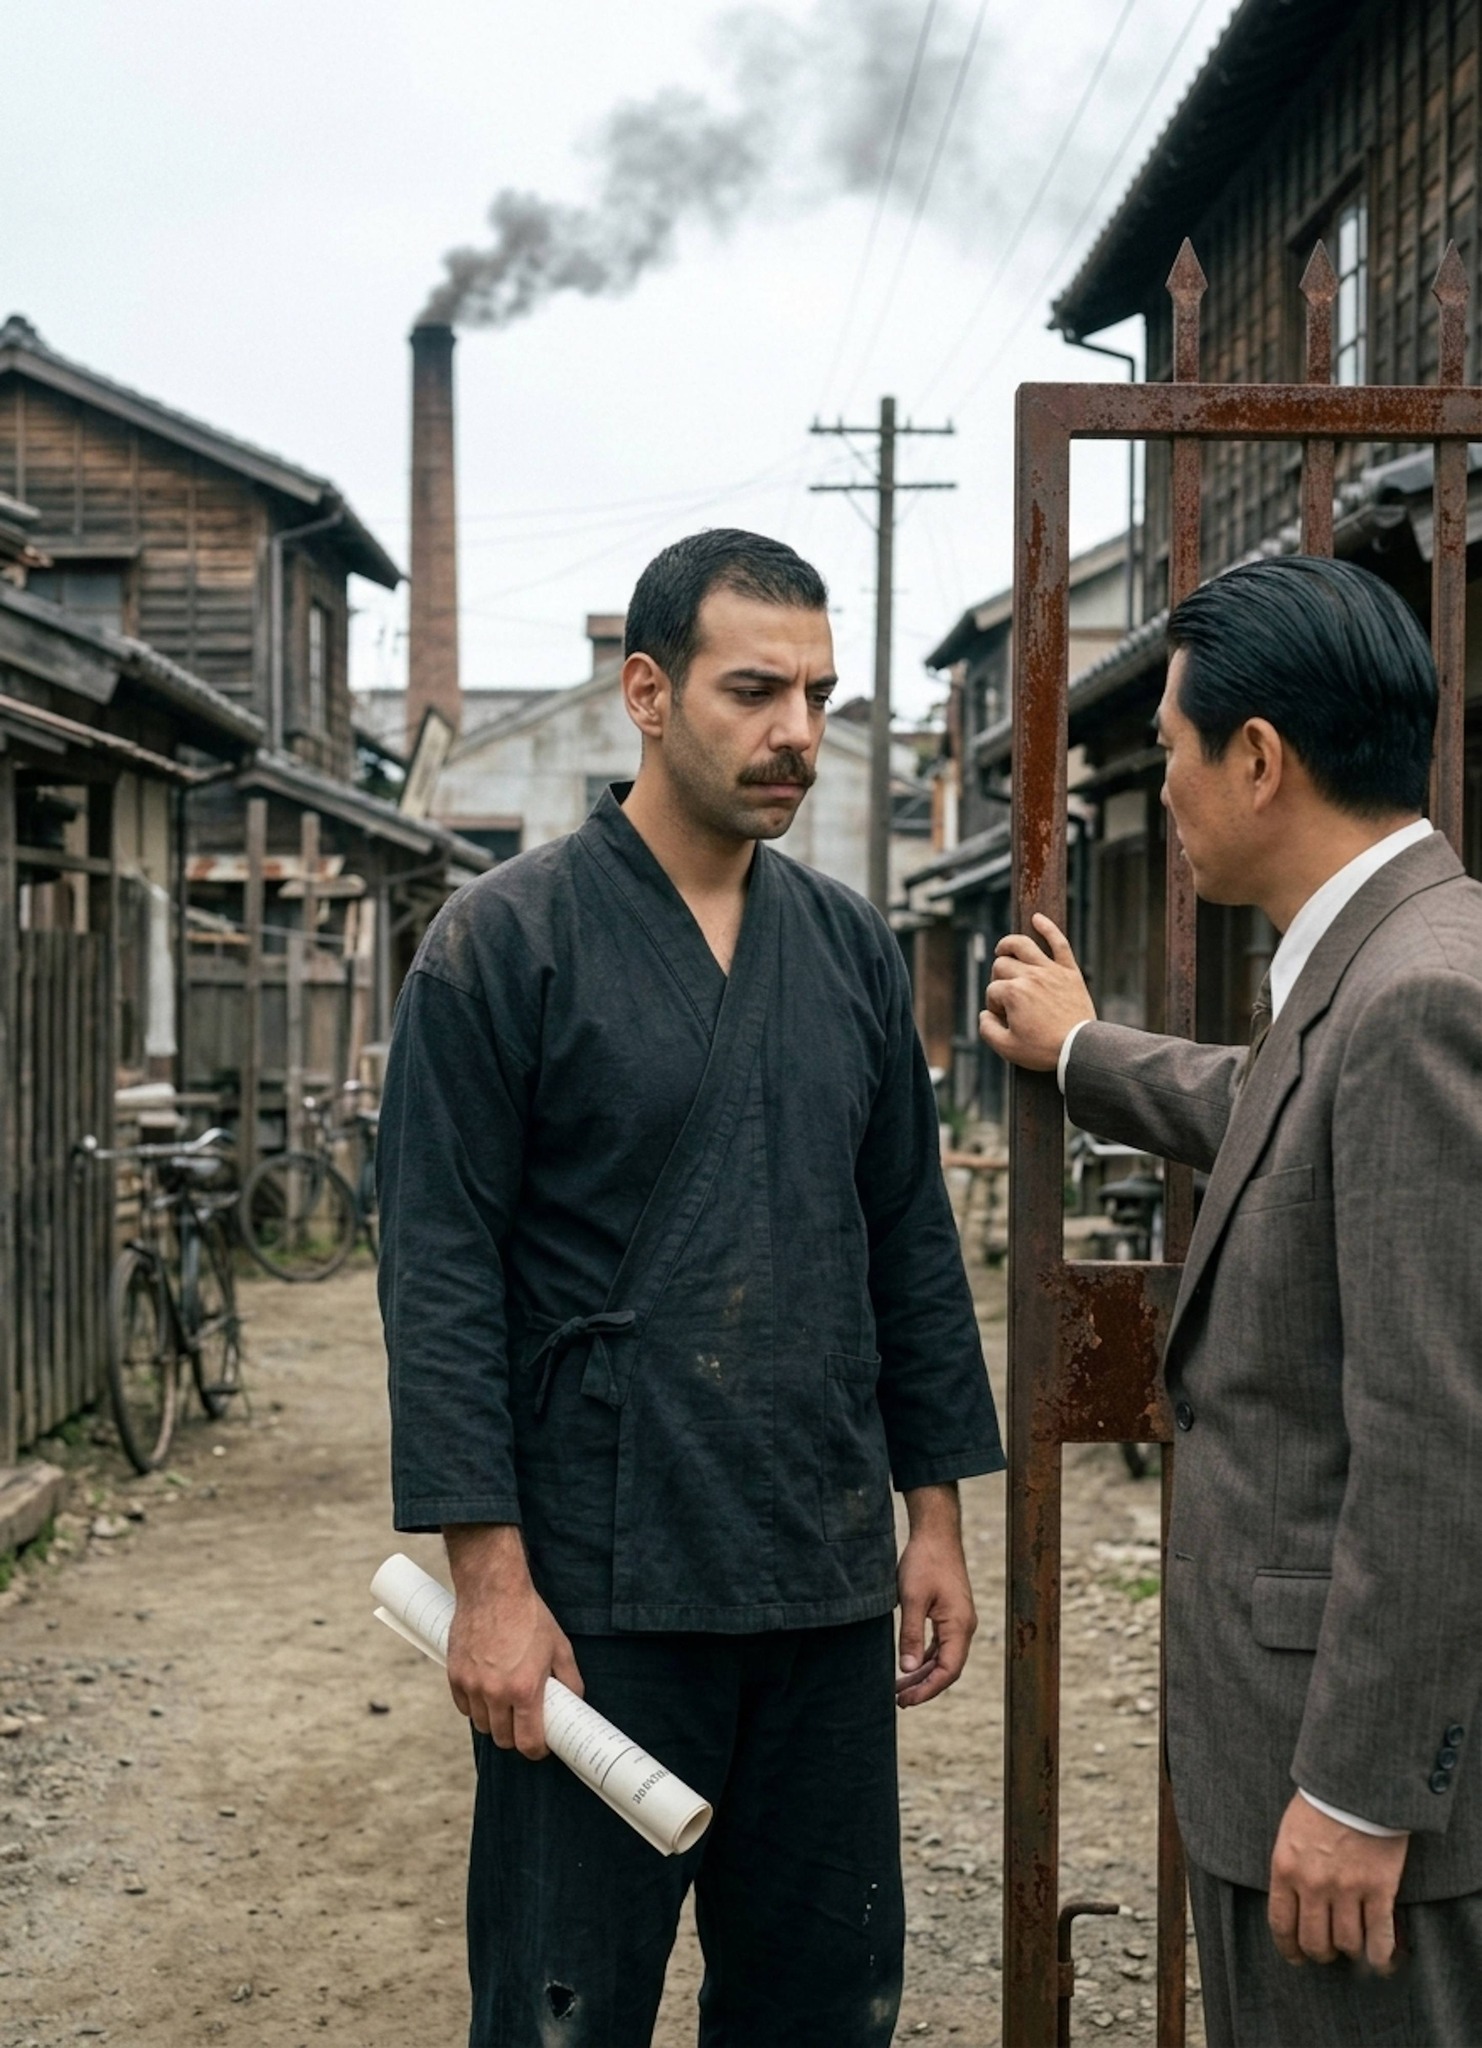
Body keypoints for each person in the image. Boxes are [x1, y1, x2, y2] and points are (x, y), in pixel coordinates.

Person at [378, 528, 1004, 2048]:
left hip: (814, 1563)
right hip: (600, 1581)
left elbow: (907, 1245)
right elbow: (441, 1276)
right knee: (562, 2008)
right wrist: (489, 1582)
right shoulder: (502, 943)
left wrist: (933, 1516)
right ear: (645, 694)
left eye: (819, 693)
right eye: (753, 691)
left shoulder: (850, 950)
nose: (797, 733)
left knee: (822, 1999)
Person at [982, 554, 1482, 2047]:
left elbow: (1436, 1433)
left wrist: (1354, 1787)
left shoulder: (1416, 1001)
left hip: (1347, 1793)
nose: (1167, 791)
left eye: (1171, 753)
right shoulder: (1394, 960)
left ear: (1256, 759)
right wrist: (1083, 1055)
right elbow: (1273, 1109)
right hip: (1302, 1752)